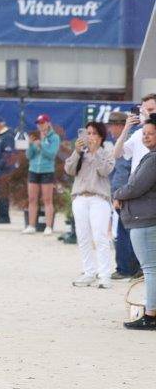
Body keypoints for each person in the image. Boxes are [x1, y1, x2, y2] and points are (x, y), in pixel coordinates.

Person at [114, 117, 156, 330]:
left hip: (145, 219)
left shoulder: (153, 159)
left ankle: (151, 315)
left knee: (150, 269)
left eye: (151, 133)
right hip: (147, 217)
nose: (146, 137)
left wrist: (117, 194)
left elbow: (136, 187)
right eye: (144, 133)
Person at [65, 120, 115, 287]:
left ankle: (105, 275)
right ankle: (89, 272)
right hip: (80, 197)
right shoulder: (81, 153)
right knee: (83, 236)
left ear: (101, 136)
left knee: (100, 237)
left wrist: (95, 152)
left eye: (94, 133)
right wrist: (77, 151)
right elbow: (69, 170)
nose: (90, 137)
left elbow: (105, 171)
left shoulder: (107, 152)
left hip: (99, 199)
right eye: (88, 133)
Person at [108, 110, 141, 281]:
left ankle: (127, 268)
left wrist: (119, 195)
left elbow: (124, 173)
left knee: (125, 233)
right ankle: (127, 267)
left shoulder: (127, 141)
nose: (110, 129)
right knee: (124, 232)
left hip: (124, 195)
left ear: (120, 126)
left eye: (112, 125)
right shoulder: (125, 141)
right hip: (122, 193)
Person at [23, 114, 62, 235]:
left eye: (43, 123)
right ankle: (31, 225)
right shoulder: (35, 136)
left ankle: (48, 226)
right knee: (32, 199)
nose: (40, 125)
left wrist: (41, 145)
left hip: (47, 170)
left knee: (47, 199)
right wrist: (30, 145)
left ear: (48, 123)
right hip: (34, 169)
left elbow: (51, 154)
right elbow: (29, 156)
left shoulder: (54, 137)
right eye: (39, 123)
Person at [0, 116, 15, 224]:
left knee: (2, 193)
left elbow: (7, 155)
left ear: (0, 124)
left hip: (4, 171)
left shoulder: (7, 136)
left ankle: (4, 216)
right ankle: (0, 215)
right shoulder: (0, 136)